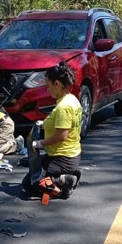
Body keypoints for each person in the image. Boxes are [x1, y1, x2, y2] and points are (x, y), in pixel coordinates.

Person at [25, 62, 82, 196]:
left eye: (48, 86)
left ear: (57, 84)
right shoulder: (71, 99)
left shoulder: (64, 107)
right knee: (34, 175)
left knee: (31, 184)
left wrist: (40, 144)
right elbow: (58, 121)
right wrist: (43, 124)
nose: (47, 90)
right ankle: (67, 175)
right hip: (70, 154)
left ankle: (63, 185)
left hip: (63, 158)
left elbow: (61, 135)